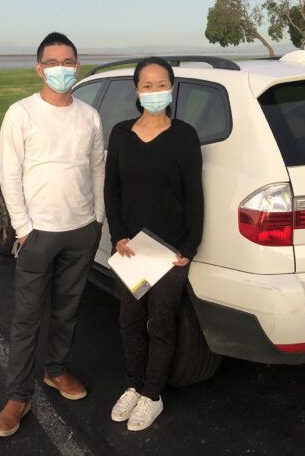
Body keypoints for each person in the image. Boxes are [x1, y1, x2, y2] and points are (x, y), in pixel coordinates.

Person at [0, 32, 104, 438]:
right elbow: (10, 173)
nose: (61, 69)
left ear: (78, 66)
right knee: (27, 318)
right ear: (39, 69)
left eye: (68, 61)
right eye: (52, 62)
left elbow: (96, 167)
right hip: (38, 233)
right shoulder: (21, 113)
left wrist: (98, 218)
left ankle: (57, 370)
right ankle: (18, 396)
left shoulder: (89, 116)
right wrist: (23, 228)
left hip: (81, 229)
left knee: (67, 310)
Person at [104, 56, 204, 431]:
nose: (155, 91)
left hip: (169, 252)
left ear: (171, 88)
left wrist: (189, 248)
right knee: (130, 321)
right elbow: (112, 191)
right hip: (132, 250)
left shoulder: (184, 136)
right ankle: (134, 385)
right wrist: (118, 235)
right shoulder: (121, 134)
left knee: (160, 324)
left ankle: (153, 394)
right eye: (147, 85)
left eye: (161, 84)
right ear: (137, 90)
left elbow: (194, 196)